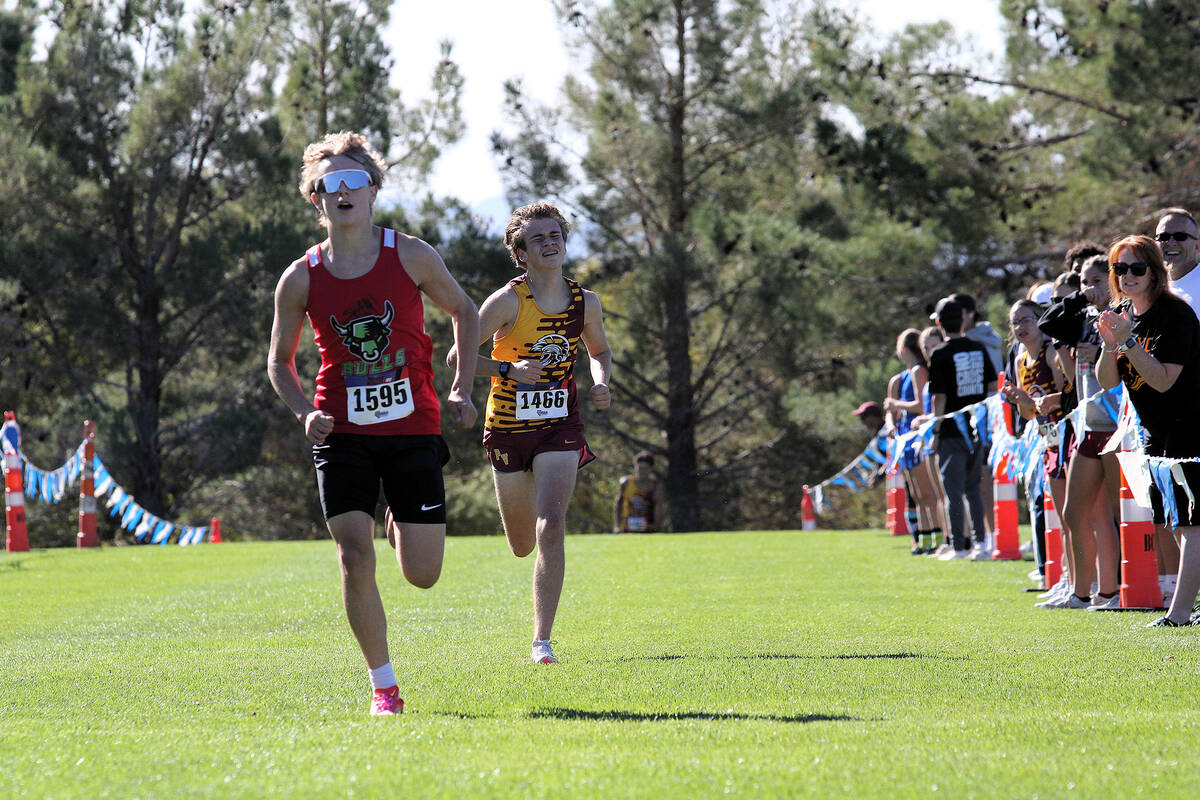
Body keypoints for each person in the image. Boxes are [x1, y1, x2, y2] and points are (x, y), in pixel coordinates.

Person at [267, 131, 479, 716]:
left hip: (413, 427)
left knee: (424, 574)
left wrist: (461, 385)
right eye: (329, 184)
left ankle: (400, 520)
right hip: (342, 433)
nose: (342, 192)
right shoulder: (301, 278)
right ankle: (383, 686)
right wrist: (304, 411)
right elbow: (279, 361)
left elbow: (462, 309)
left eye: (353, 181)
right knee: (352, 552)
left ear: (373, 191)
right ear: (316, 199)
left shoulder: (409, 254)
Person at [450, 201, 612, 664]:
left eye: (555, 235)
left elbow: (599, 351)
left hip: (560, 425)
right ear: (521, 253)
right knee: (522, 545)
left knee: (552, 525)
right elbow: (455, 359)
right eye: (538, 238)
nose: (550, 243)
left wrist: (601, 383)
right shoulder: (507, 302)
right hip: (506, 428)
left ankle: (542, 641)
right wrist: (507, 369)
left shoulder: (586, 302)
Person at [1095, 235, 1200, 627]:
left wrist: (1128, 341)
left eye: (1137, 268)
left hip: (1189, 427)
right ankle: (1188, 607)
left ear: (1155, 272)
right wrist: (1110, 345)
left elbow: (1163, 381)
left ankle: (1178, 614)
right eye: (1120, 269)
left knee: (1191, 523)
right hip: (1154, 432)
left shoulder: (1176, 314)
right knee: (1175, 521)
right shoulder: (1123, 314)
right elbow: (1107, 382)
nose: (1127, 276)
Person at [1039, 254, 1121, 609]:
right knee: (1074, 512)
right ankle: (1082, 593)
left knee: (1118, 512)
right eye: (1084, 281)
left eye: (1095, 281)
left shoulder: (1122, 313)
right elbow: (1048, 322)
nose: (1089, 289)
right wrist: (1079, 296)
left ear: (1112, 280)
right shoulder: (1086, 315)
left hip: (1118, 424)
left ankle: (1117, 590)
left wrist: (1104, 351)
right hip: (1089, 423)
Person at [1000, 299, 1077, 607]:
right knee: (1060, 516)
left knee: (1075, 514)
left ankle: (1084, 582)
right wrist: (1020, 398)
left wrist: (1043, 401)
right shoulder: (1020, 358)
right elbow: (1031, 412)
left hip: (1069, 434)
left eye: (1027, 320)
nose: (1021, 327)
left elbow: (1068, 394)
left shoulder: (1051, 351)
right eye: (1015, 322)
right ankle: (1067, 579)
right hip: (1046, 439)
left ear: (1040, 320)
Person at [927, 298, 997, 560]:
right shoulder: (978, 348)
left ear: (939, 323)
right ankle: (980, 543)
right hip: (977, 428)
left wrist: (934, 431)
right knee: (973, 487)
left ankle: (959, 546)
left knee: (953, 491)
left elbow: (939, 398)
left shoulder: (940, 354)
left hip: (951, 432)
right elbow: (992, 386)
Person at [884, 329, 947, 555]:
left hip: (918, 436)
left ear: (904, 350)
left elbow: (920, 406)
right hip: (904, 438)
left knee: (928, 492)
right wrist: (891, 424)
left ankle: (939, 536)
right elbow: (888, 410)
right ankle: (924, 538)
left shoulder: (920, 371)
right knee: (917, 494)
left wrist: (896, 405)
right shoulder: (898, 378)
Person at [613, 451, 666, 533]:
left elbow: (659, 511)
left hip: (648, 530)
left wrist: (653, 527)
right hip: (626, 529)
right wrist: (617, 526)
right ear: (635, 467)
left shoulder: (656, 487)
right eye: (640, 468)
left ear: (651, 469)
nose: (642, 471)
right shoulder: (626, 483)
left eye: (645, 468)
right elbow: (618, 504)